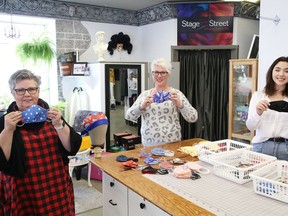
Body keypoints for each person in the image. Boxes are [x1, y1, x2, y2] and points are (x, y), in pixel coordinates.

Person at [0, 69, 82, 215]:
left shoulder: (52, 116)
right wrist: (8, 130)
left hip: (57, 185)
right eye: (20, 90)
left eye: (31, 89)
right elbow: (2, 161)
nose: (27, 94)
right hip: (23, 189)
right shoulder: (5, 122)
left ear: (38, 91)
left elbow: (72, 148)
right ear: (13, 93)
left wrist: (58, 125)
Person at [125, 58, 198, 147]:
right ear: (152, 74)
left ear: (168, 74)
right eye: (156, 72)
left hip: (172, 144)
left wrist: (181, 105)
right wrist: (141, 106)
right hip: (149, 146)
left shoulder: (176, 94)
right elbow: (129, 116)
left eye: (163, 72)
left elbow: (193, 118)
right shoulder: (145, 95)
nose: (159, 76)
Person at [246, 56, 288, 161]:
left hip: (286, 149)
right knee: (257, 177)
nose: (281, 74)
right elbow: (250, 127)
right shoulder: (258, 95)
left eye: (286, 71)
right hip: (261, 147)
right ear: (271, 72)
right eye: (277, 70)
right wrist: (257, 112)